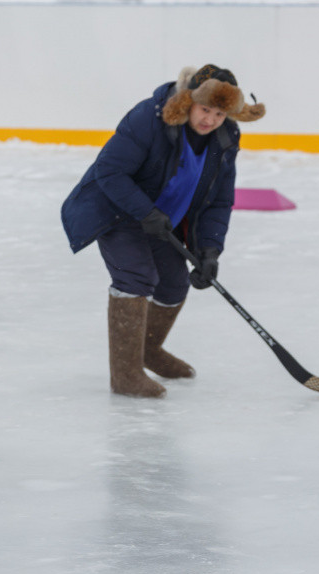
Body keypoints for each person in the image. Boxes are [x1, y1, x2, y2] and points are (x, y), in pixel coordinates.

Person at [61, 64, 265, 398]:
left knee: (173, 284)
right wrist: (145, 211)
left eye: (219, 114)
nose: (210, 120)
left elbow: (218, 200)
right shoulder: (149, 118)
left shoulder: (226, 137)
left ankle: (148, 351)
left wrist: (209, 251)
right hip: (118, 210)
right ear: (189, 100)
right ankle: (125, 375)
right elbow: (109, 171)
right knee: (136, 278)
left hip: (163, 220)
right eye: (205, 109)